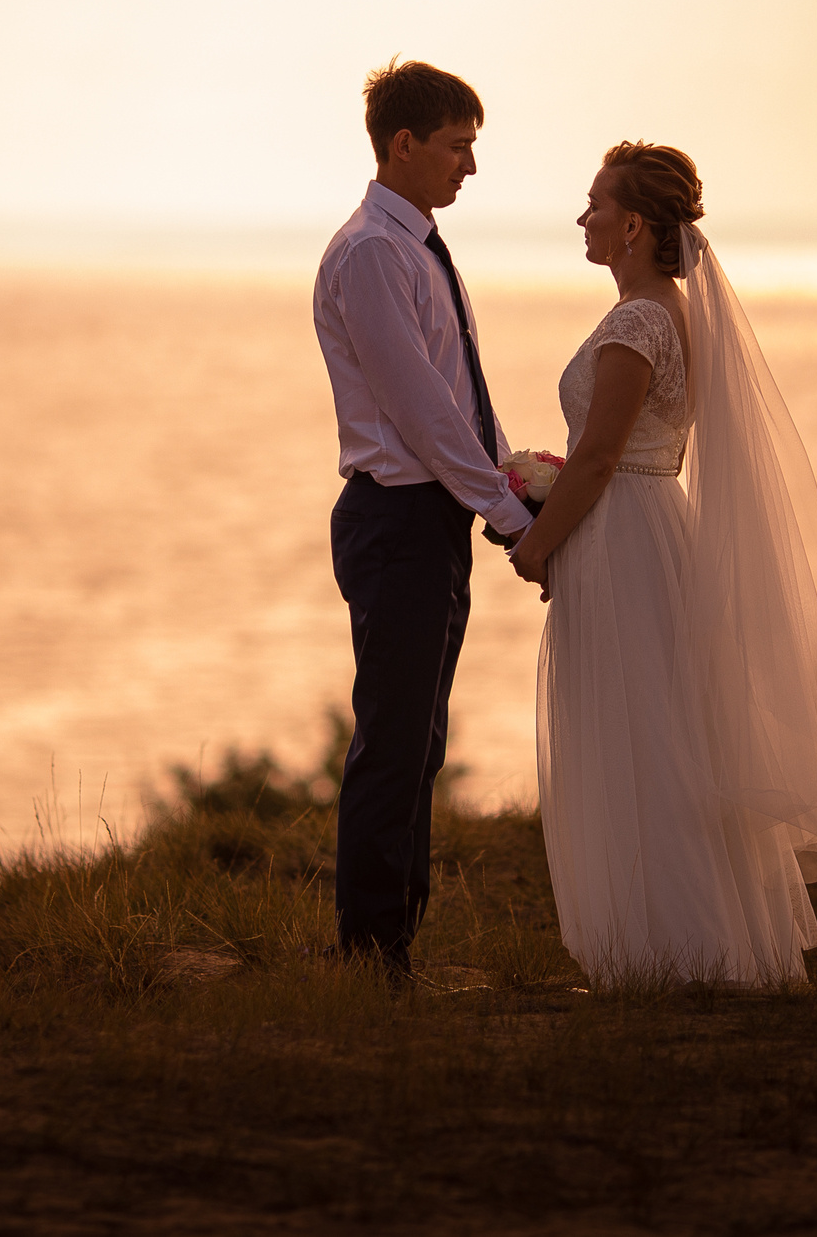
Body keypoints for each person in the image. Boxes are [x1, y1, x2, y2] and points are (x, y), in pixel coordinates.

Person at [507, 142, 817, 984]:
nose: (581, 219)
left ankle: (677, 950)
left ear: (632, 225)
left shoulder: (638, 322)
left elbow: (598, 461)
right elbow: (617, 454)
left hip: (625, 537)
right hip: (653, 522)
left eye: (594, 204)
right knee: (666, 730)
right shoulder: (676, 311)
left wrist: (536, 541)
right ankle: (686, 944)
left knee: (644, 737)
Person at [312, 60, 540, 978]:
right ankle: (370, 949)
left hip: (430, 520)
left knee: (422, 739)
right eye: (458, 146)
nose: (470, 167)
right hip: (397, 520)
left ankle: (392, 938)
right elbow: (420, 412)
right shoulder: (373, 253)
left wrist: (510, 481)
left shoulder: (418, 248)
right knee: (395, 736)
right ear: (402, 145)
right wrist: (509, 514)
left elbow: (458, 400)